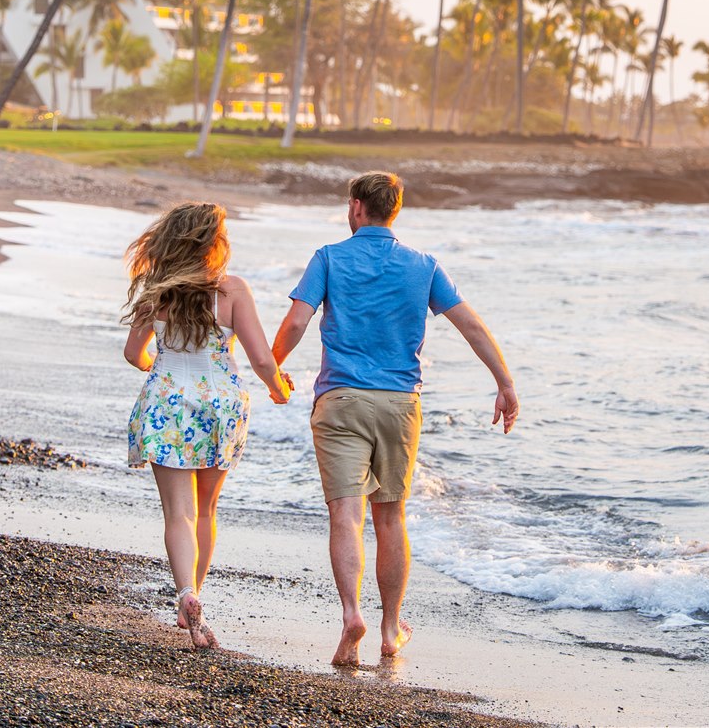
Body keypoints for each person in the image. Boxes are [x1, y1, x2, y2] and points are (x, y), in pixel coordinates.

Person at [272, 171, 520, 667]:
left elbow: (298, 322)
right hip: (399, 404)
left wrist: (271, 368)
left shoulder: (328, 257)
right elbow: (470, 324)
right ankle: (389, 628)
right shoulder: (424, 265)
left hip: (340, 400)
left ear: (357, 207)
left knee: (345, 513)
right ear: (395, 209)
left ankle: (350, 615)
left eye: (350, 205)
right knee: (391, 515)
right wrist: (505, 383)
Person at [122, 201, 292, 649]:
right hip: (220, 406)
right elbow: (259, 358)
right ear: (212, 244)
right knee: (206, 509)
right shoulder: (231, 290)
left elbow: (133, 354)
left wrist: (156, 368)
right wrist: (279, 388)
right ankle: (194, 598)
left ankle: (187, 595)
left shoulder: (156, 292)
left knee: (178, 512)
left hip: (167, 404)